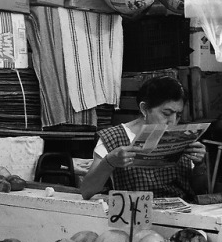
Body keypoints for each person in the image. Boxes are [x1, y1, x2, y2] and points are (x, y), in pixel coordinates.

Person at [80, 75, 208, 202]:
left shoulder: (183, 138)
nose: (172, 121)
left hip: (181, 217)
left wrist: (199, 165)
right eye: (166, 113)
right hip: (135, 216)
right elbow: (86, 191)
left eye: (178, 115)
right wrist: (109, 162)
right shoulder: (113, 138)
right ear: (144, 109)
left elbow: (200, 192)